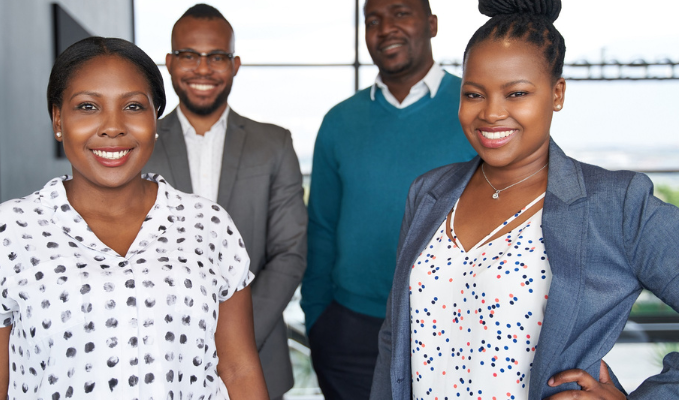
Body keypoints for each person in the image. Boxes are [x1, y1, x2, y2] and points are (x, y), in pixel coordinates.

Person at [370, 0, 679, 399]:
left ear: (557, 93)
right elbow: (395, 338)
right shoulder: (430, 193)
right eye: (474, 94)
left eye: (516, 93)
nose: (492, 114)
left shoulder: (616, 204)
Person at [0, 36, 269, 400]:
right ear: (58, 120)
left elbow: (238, 369)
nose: (112, 127)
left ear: (155, 120)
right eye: (87, 106)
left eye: (133, 106)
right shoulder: (4, 235)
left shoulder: (209, 225)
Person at [300, 0, 477, 397]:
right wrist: (319, 320)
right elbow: (322, 226)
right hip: (350, 330)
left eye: (400, 13)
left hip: (450, 328)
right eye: (373, 20)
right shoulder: (339, 121)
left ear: (431, 23)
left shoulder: (474, 109)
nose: (385, 28)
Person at [144, 4, 307, 399]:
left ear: (234, 64)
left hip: (256, 355)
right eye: (189, 55)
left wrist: (236, 334)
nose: (203, 69)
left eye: (216, 56)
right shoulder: (139, 145)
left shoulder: (273, 144)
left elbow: (290, 253)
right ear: (169, 62)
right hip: (157, 358)